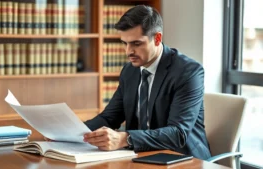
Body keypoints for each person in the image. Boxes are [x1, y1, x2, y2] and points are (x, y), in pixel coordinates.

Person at [83, 5, 211, 160]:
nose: (128, 51)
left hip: (183, 158)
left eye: (136, 44)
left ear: (157, 38)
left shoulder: (188, 72)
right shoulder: (129, 71)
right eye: (125, 43)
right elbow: (109, 118)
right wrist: (72, 133)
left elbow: (177, 134)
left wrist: (125, 138)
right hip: (141, 155)